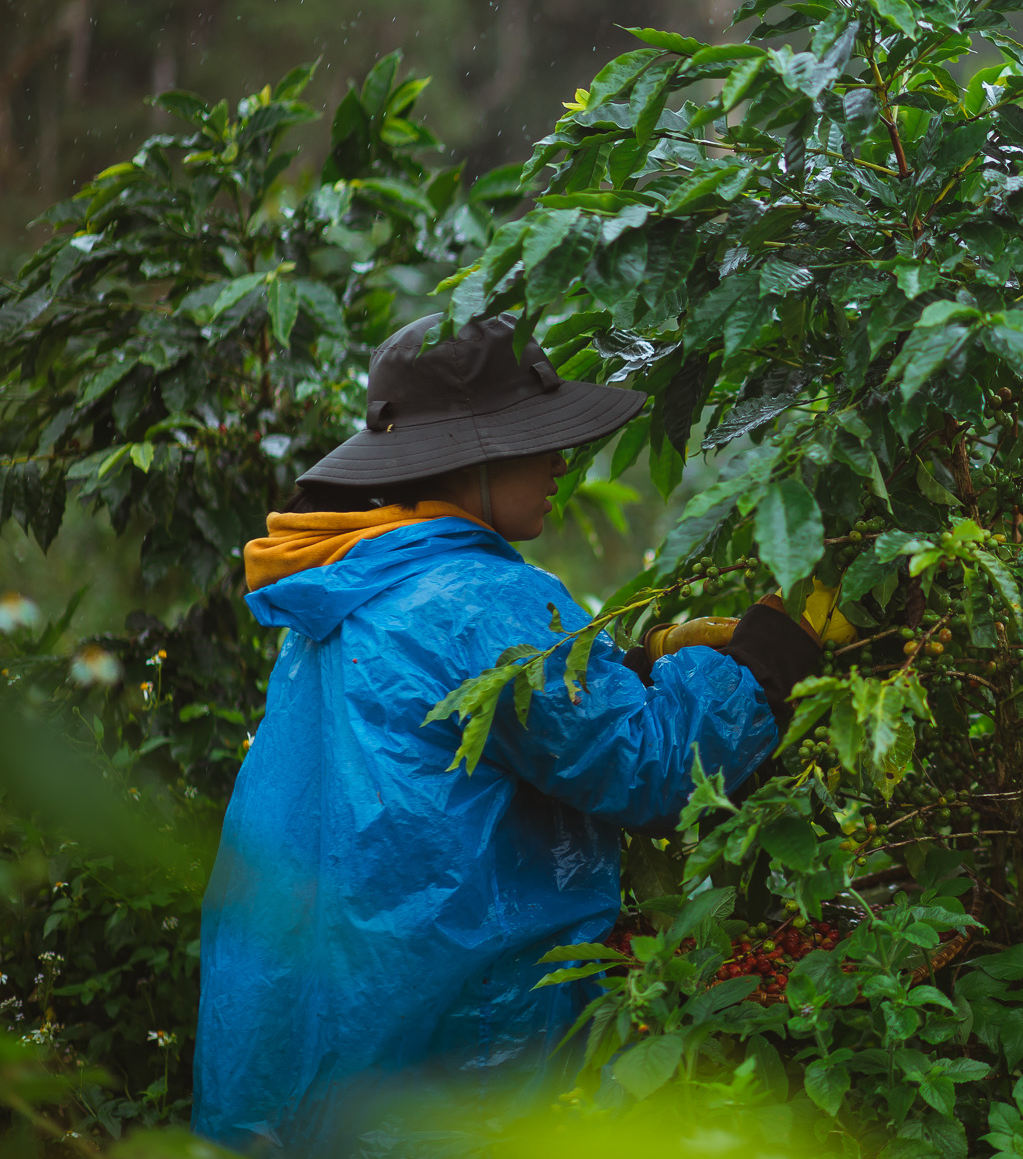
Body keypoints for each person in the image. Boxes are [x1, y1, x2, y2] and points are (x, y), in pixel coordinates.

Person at [194, 313, 820, 1152]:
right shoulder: (485, 599)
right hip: (463, 1066)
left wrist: (631, 666)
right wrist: (768, 658)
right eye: (536, 438)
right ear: (467, 452)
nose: (562, 459)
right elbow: (651, 766)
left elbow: (496, 720)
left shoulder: (352, 582)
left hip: (330, 1049)